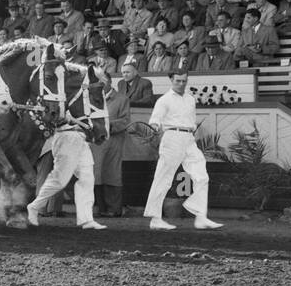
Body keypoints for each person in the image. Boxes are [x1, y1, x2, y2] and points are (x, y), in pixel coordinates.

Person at [143, 71, 222, 230]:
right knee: (163, 179)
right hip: (172, 138)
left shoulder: (190, 99)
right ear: (171, 80)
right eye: (178, 80)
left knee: (202, 176)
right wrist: (155, 126)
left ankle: (200, 217)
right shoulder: (163, 100)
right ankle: (155, 219)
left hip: (189, 139)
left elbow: (191, 121)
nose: (181, 84)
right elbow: (155, 119)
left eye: (184, 81)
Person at [26, 113, 104, 230]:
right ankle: (34, 206)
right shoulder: (58, 96)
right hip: (65, 136)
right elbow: (50, 115)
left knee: (87, 178)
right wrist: (64, 117)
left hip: (81, 137)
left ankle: (86, 219)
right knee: (60, 181)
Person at [92, 79, 130, 217]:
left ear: (110, 82)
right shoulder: (91, 97)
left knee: (112, 173)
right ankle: (99, 208)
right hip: (95, 141)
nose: (100, 85)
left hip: (114, 141)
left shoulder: (121, 99)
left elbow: (125, 121)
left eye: (102, 82)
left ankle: (114, 209)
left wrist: (106, 125)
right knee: (96, 173)